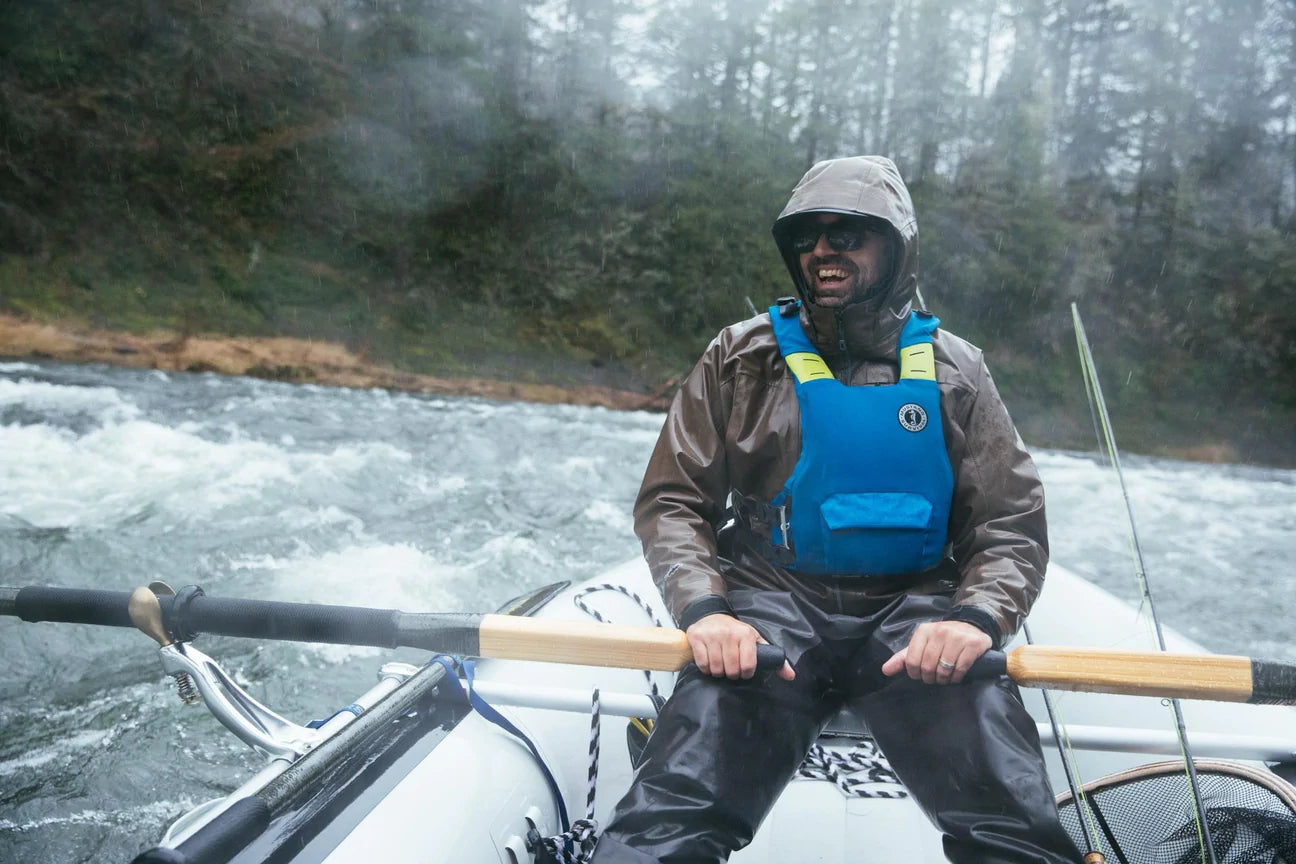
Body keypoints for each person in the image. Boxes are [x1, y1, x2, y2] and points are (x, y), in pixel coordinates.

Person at [591, 156, 1081, 863]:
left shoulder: (959, 371)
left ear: (895, 248)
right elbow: (674, 501)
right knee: (670, 816)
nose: (823, 250)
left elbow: (1009, 526)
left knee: (1014, 827)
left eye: (847, 235)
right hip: (770, 605)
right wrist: (707, 611)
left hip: (917, 617)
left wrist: (975, 620)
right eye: (808, 237)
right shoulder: (740, 355)